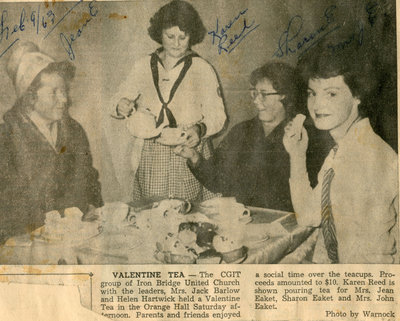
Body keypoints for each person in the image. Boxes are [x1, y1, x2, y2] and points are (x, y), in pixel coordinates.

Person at [283, 43, 398, 263]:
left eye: (331, 94)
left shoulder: (368, 158)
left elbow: (372, 259)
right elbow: (308, 216)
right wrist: (297, 155)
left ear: (358, 96)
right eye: (312, 93)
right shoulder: (344, 148)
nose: (317, 104)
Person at [113, 0, 226, 202]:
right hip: (154, 150)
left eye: (183, 37)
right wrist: (121, 105)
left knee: (190, 212)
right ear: (159, 33)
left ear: (192, 36)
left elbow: (218, 115)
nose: (176, 43)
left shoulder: (202, 68)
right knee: (153, 211)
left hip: (189, 148)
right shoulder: (143, 65)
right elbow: (119, 97)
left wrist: (199, 129)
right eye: (170, 36)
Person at [176, 62, 325, 211]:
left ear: (285, 96)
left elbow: (310, 198)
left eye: (264, 94)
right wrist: (194, 156)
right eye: (254, 92)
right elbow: (218, 181)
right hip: (240, 221)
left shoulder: (305, 137)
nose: (256, 100)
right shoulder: (241, 131)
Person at [0, 42, 103, 243]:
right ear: (30, 97)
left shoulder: (74, 131)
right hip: (28, 242)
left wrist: (92, 206)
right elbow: (8, 206)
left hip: (79, 235)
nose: (64, 99)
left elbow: (89, 178)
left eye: (64, 90)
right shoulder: (6, 139)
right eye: (54, 92)